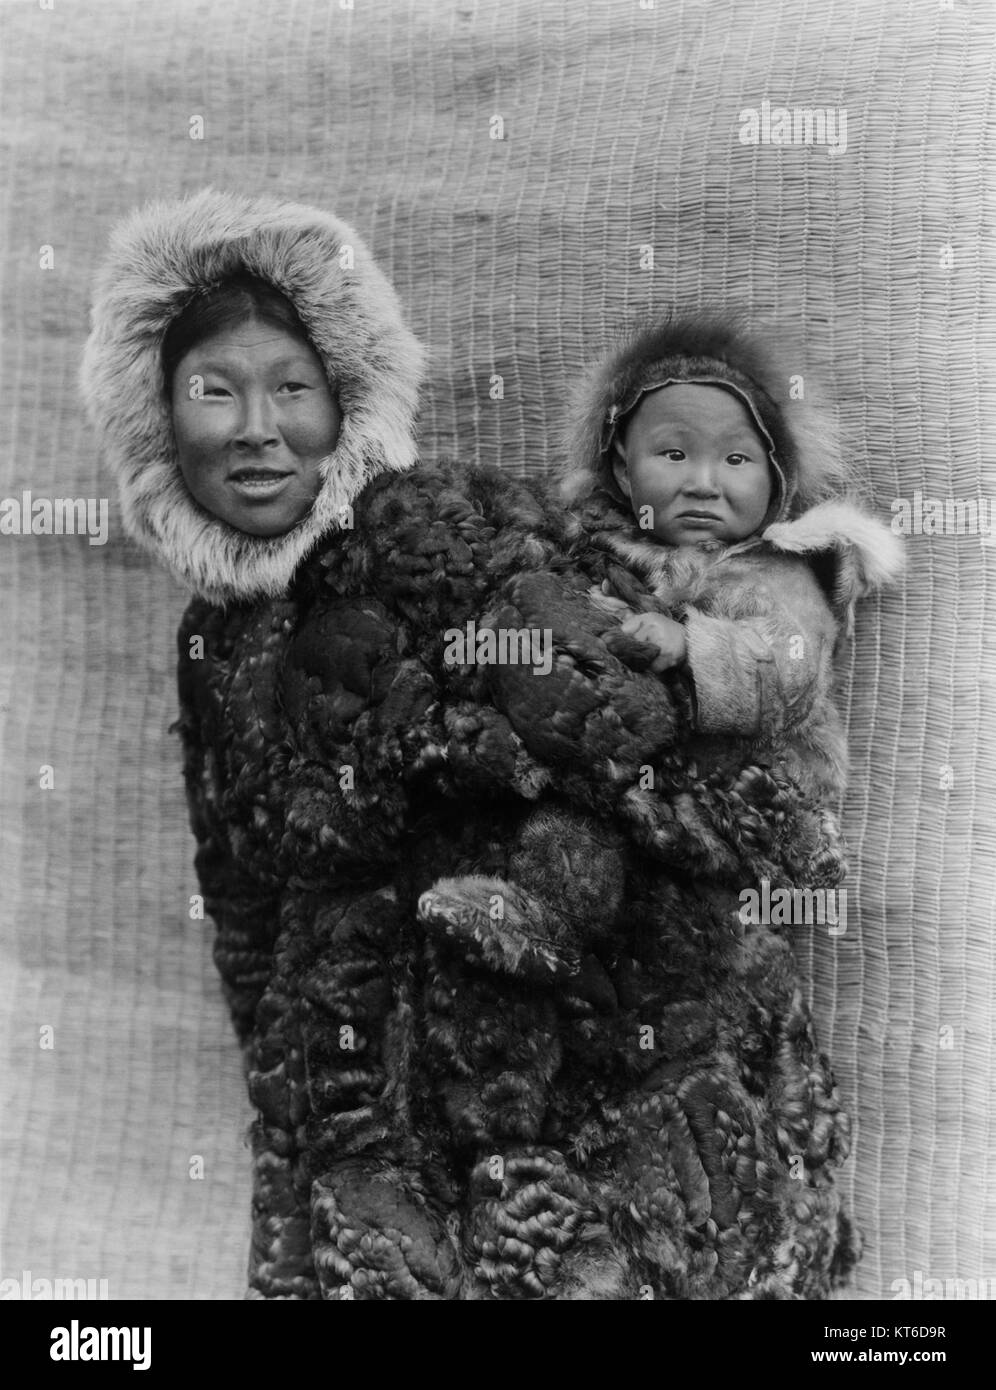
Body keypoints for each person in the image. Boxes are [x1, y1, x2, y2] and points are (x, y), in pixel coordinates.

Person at [82, 190, 896, 1299]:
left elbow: (640, 736)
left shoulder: (437, 531)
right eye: (213, 391)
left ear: (348, 398)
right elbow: (240, 894)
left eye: (294, 388)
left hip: (563, 1049)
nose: (256, 428)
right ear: (156, 417)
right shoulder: (210, 642)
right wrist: (281, 1080)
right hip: (343, 1082)